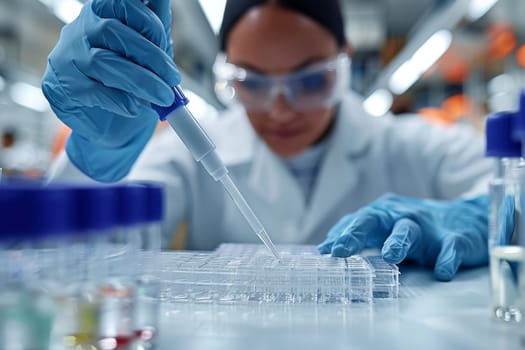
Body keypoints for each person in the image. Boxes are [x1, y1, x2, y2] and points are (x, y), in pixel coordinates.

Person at [43, 0, 499, 281]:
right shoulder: (185, 157)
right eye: (253, 83)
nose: (280, 109)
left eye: (309, 81)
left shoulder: (411, 144)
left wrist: (486, 213)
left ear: (344, 63)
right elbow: (74, 258)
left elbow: (510, 182)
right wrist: (95, 157)